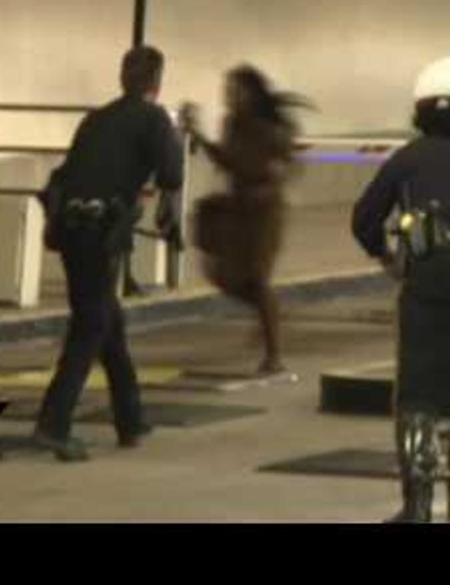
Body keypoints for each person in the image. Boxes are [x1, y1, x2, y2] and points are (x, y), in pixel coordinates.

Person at [33, 46, 184, 462]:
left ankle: (130, 419)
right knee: (92, 325)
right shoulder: (153, 118)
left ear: (122, 78)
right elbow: (172, 173)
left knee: (107, 321)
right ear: (157, 82)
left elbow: (68, 173)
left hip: (69, 228)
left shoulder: (95, 118)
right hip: (100, 233)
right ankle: (54, 424)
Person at [353, 57, 450, 523]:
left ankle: (417, 505)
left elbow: (365, 218)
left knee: (418, 397)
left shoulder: (408, 158)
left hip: (427, 286)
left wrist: (386, 258)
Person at [190, 65, 308, 376]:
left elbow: (290, 165)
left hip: (265, 213)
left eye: (235, 90)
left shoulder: (270, 129)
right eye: (227, 90)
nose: (228, 96)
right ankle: (270, 311)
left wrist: (272, 183)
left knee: (257, 277)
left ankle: (274, 355)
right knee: (224, 274)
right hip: (237, 207)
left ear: (252, 94)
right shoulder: (232, 124)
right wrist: (198, 134)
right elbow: (227, 160)